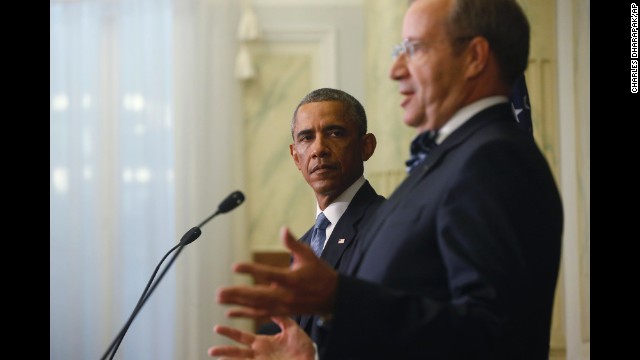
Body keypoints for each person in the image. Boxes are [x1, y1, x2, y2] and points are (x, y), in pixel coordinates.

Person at [211, 0, 563, 359]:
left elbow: (494, 336)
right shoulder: (450, 160)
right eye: (399, 51)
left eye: (414, 49)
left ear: (474, 56)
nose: (395, 70)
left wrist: (340, 300)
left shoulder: (492, 158)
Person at [253, 88, 385, 340]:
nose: (319, 149)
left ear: (366, 146)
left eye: (335, 133)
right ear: (295, 156)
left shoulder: (386, 224)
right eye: (306, 138)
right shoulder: (304, 246)